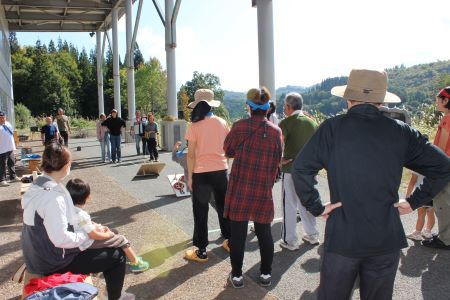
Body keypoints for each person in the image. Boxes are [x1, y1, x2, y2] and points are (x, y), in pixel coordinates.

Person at [291, 69, 450, 300]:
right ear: (381, 100)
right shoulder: (401, 132)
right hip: (385, 239)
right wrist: (414, 201)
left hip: (343, 238)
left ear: (348, 97)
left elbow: (301, 169)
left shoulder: (332, 128)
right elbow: (443, 166)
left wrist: (316, 206)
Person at [22, 142, 130, 300]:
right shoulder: (53, 197)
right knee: (117, 255)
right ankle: (115, 296)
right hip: (51, 262)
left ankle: (114, 290)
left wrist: (91, 227)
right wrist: (88, 235)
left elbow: (62, 220)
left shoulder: (38, 184)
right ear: (66, 165)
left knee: (112, 235)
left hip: (36, 255)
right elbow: (61, 239)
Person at [223, 87, 282, 288]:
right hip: (263, 190)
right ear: (267, 108)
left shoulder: (239, 126)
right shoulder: (276, 132)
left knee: (238, 235)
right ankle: (266, 274)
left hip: (241, 187)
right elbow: (277, 162)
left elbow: (228, 149)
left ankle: (237, 275)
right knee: (264, 233)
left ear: (249, 106)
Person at [184, 88, 231, 262]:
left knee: (200, 210)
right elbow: (228, 149)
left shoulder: (194, 125)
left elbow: (190, 154)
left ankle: (202, 251)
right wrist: (227, 167)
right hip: (221, 170)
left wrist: (189, 177)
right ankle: (230, 241)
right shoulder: (222, 122)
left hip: (201, 173)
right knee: (224, 208)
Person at [66, 178, 149, 272]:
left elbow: (83, 224)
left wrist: (96, 226)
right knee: (122, 239)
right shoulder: (82, 215)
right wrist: (107, 235)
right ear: (87, 197)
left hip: (79, 239)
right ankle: (135, 263)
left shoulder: (69, 209)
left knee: (114, 231)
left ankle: (125, 255)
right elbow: (93, 235)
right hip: (87, 242)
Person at [278, 92, 320, 250]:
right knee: (306, 201)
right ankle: (312, 234)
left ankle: (290, 240)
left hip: (290, 170)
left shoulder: (287, 123)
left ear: (289, 107)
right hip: (309, 171)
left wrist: (279, 159)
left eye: (284, 106)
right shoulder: (312, 123)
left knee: (289, 204)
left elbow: (276, 144)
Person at [422, 86, 450, 250]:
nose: (436, 102)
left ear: (446, 101)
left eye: (438, 99)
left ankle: (445, 239)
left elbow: (440, 147)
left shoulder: (447, 118)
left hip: (444, 167)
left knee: (443, 203)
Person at [405, 171, 435, 240]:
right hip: (432, 194)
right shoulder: (434, 165)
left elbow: (412, 182)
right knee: (430, 213)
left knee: (421, 214)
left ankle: (417, 233)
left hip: (421, 194)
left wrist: (407, 196)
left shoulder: (418, 167)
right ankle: (428, 231)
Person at [0, 111, 19, 186]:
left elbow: (12, 134)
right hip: (1, 149)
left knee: (12, 162)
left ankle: (13, 177)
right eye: (0, 117)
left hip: (10, 147)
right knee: (2, 165)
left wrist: (15, 144)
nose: (2, 119)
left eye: (3, 117)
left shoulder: (8, 124)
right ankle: (2, 180)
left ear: (5, 117)